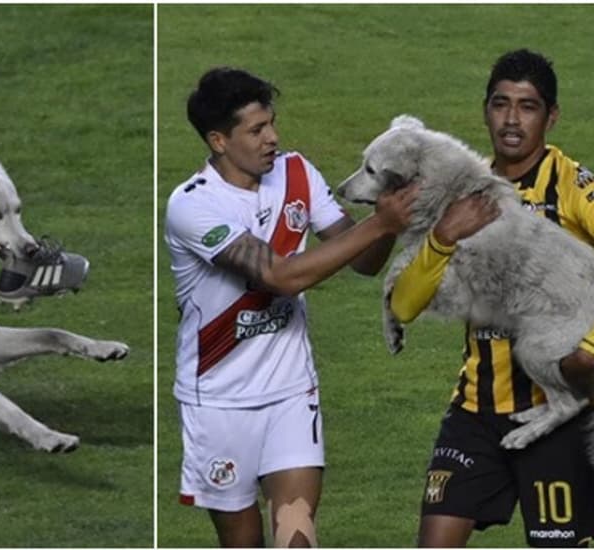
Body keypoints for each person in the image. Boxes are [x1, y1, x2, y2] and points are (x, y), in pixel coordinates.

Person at [164, 67, 418, 547]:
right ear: (219, 141)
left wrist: (389, 212)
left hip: (290, 392)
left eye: (272, 124)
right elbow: (280, 277)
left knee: (296, 537)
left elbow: (363, 259)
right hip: (219, 402)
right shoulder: (192, 206)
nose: (272, 138)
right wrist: (382, 222)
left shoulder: (297, 172)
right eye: (256, 130)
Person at [389, 49, 594, 547]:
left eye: (528, 106)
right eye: (501, 104)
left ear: (551, 116)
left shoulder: (571, 187)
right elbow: (405, 306)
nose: (512, 119)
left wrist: (593, 351)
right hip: (474, 410)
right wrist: (442, 238)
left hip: (559, 409)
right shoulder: (461, 188)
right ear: (485, 110)